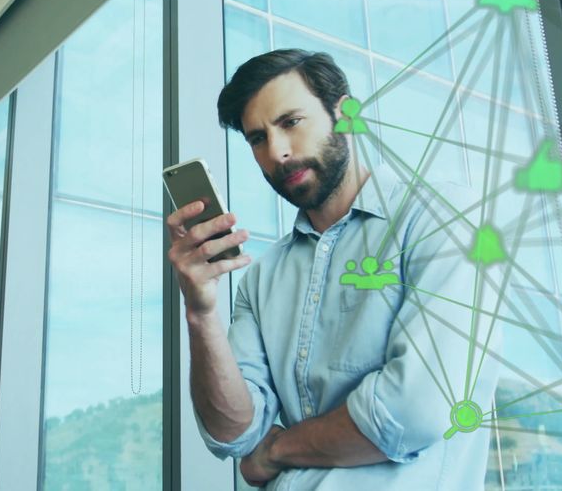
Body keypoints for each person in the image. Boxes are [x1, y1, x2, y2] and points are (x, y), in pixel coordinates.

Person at [165, 49, 499, 489]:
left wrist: (277, 450)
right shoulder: (261, 279)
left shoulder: (444, 217)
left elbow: (416, 411)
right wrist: (200, 313)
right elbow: (233, 434)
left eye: (290, 122)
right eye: (257, 138)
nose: (277, 152)